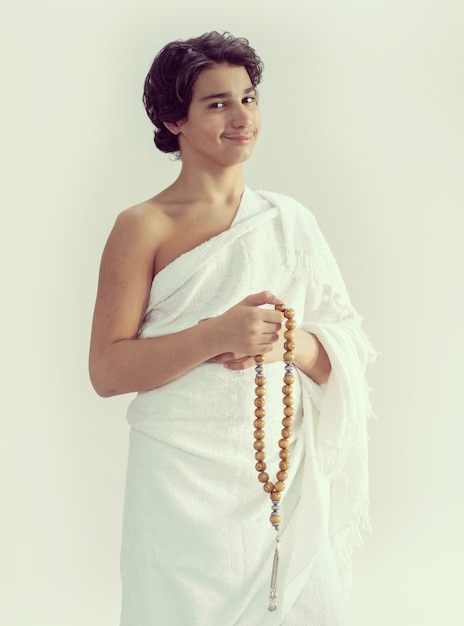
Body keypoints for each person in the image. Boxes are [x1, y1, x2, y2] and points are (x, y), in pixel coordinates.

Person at [89, 31, 374, 626]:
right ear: (174, 120)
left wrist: (282, 340)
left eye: (248, 98)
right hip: (177, 483)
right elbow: (107, 371)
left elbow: (343, 350)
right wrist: (215, 335)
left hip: (280, 478)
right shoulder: (141, 226)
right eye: (218, 103)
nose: (242, 117)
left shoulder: (289, 220)